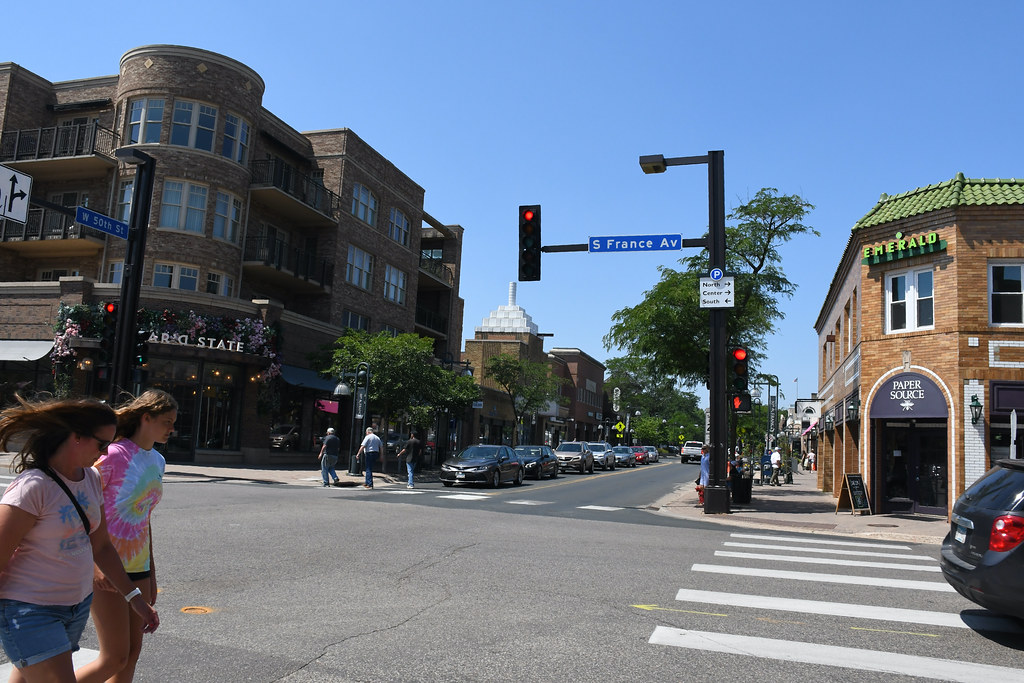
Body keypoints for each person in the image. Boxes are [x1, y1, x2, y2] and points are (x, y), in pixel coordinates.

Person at [0, 396, 159, 681]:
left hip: (74, 607)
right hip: (30, 609)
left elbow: (102, 546)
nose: (106, 451)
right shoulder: (32, 487)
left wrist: (135, 599)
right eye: (101, 444)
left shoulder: (91, 479)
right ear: (76, 437)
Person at [75, 389, 175, 683]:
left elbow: (144, 520)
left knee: (130, 656)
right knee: (114, 657)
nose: (172, 428)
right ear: (146, 418)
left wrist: (152, 574)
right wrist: (93, 564)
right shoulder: (113, 454)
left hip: (139, 566)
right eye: (167, 421)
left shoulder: (157, 460)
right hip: (106, 565)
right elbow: (84, 507)